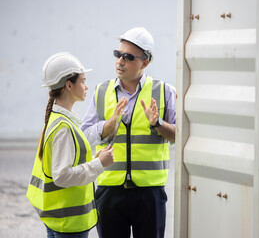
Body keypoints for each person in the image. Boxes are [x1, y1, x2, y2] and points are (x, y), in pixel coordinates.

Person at [81, 27, 176, 238]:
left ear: (145, 62)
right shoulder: (101, 91)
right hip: (109, 191)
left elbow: (181, 135)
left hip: (149, 193)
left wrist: (158, 123)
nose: (120, 61)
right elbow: (84, 136)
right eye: (118, 54)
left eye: (128, 57)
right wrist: (107, 126)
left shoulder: (164, 91)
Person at [26, 52, 118, 238]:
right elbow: (62, 176)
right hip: (69, 223)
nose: (86, 86)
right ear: (69, 85)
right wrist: (99, 163)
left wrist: (94, 159)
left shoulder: (55, 119)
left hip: (56, 217)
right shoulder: (63, 128)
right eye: (83, 81)